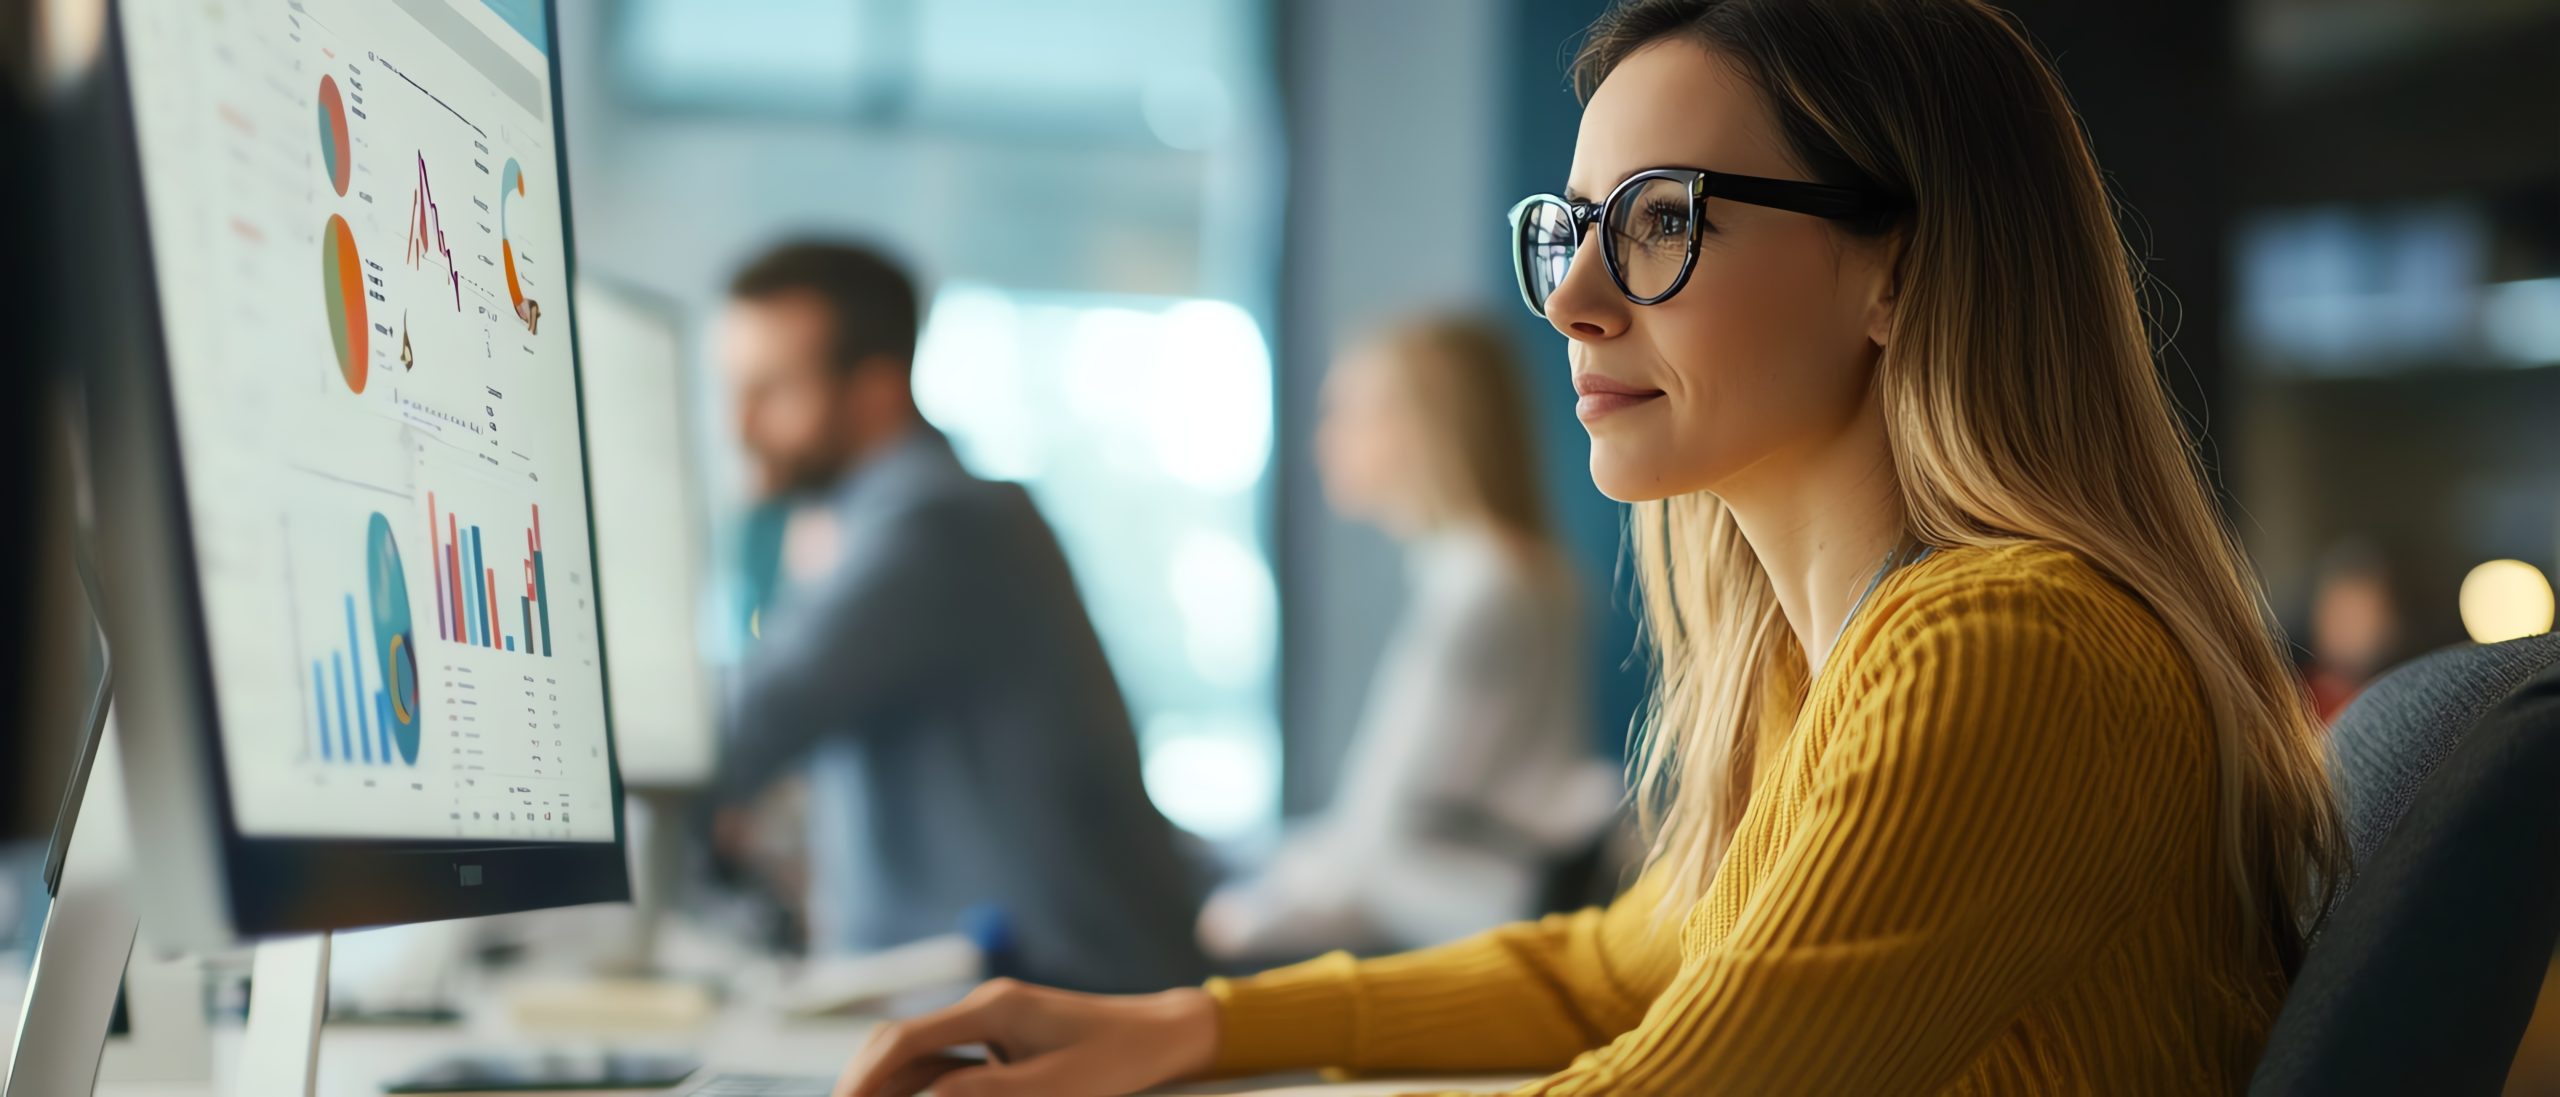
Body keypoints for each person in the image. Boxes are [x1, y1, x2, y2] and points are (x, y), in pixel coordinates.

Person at [828, 0, 2348, 1092]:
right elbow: (1612, 969)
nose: (1573, 301)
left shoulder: (2005, 650)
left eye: (1661, 220)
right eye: (1570, 230)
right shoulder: (1830, 661)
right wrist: (1197, 1028)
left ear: (1900, 269)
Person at [706, 240, 1206, 994]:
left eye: (771, 390)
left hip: (1054, 1005)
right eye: (733, 389)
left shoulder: (937, 526)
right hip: (997, 987)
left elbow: (738, 728)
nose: (739, 426)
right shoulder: (909, 518)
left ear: (874, 391)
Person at [1197, 314, 1618, 964]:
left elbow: (1379, 836)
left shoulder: (1482, 587)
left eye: (1351, 413)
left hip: (1465, 918)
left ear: (1425, 426)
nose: (1324, 440)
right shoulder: (1513, 573)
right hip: (1485, 903)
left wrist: (1243, 913)